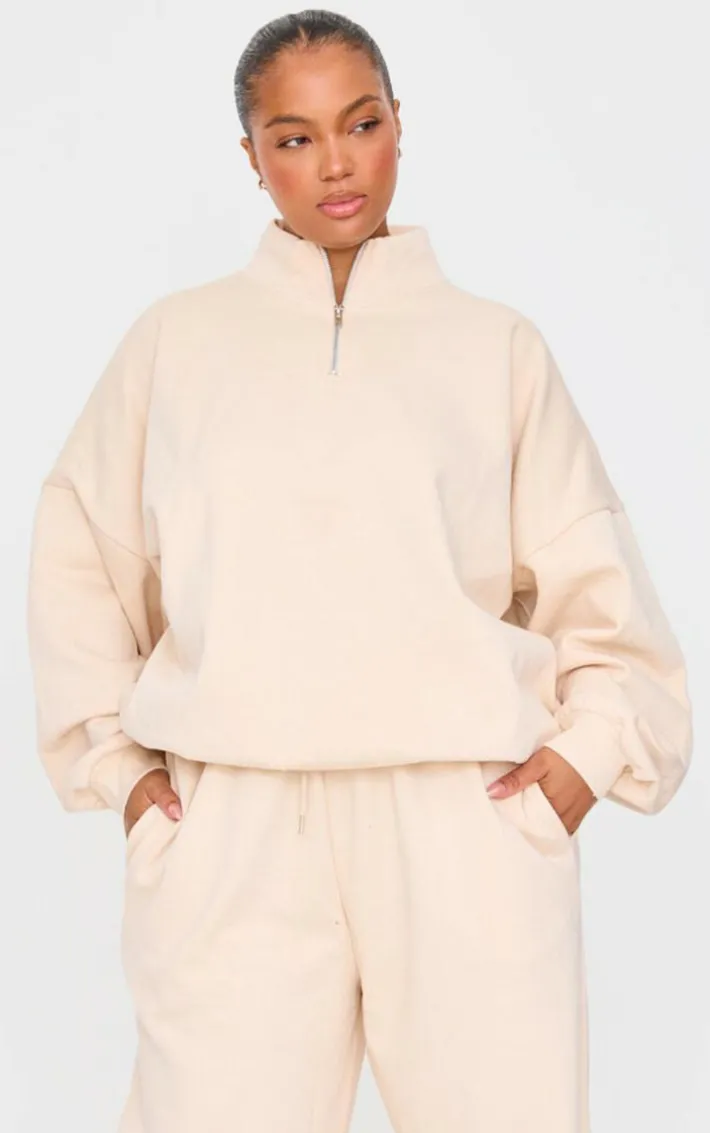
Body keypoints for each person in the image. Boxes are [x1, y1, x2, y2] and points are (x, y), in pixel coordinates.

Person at [26, 9, 693, 1133]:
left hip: (460, 816)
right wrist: (122, 771)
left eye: (361, 123)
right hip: (233, 819)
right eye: (294, 138)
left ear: (398, 126)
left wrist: (587, 758)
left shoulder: (494, 346)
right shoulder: (175, 343)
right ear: (252, 157)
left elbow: (595, 577)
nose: (335, 163)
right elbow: (80, 551)